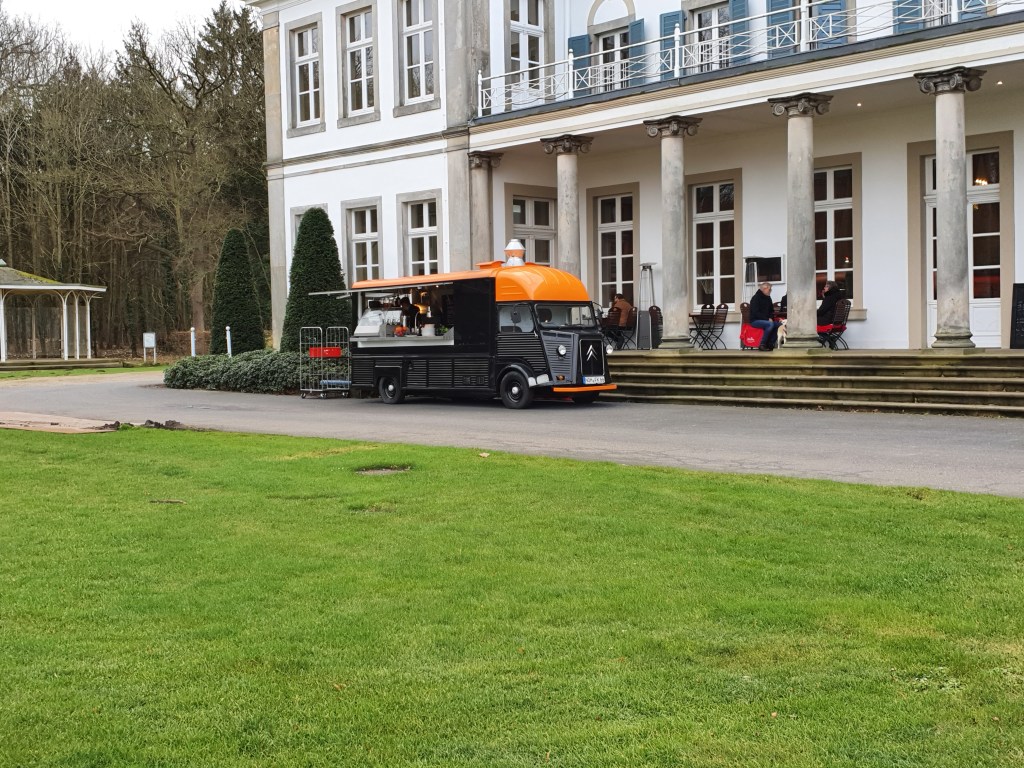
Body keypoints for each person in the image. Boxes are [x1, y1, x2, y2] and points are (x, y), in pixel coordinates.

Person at [749, 281, 781, 351]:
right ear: (764, 289)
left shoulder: (768, 298)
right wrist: (767, 319)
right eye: (769, 289)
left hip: (766, 320)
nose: (771, 291)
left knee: (779, 325)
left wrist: (770, 317)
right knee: (770, 324)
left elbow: (771, 311)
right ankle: (762, 344)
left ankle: (770, 344)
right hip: (755, 321)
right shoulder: (756, 298)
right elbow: (755, 313)